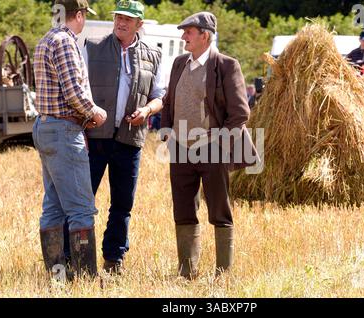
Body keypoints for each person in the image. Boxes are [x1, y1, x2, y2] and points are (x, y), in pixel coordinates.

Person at [161, 12, 257, 279]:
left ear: (205, 35)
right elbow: (169, 101)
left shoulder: (226, 65)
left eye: (188, 32)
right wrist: (167, 132)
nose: (183, 37)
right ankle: (187, 273)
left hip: (212, 147)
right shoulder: (180, 63)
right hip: (180, 148)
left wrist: (218, 143)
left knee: (219, 210)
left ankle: (222, 274)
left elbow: (240, 114)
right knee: (182, 209)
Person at [81, 0, 164, 274]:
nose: (121, 22)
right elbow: (79, 90)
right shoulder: (92, 48)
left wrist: (147, 110)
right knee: (83, 200)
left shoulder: (153, 55)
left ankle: (113, 260)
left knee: (122, 205)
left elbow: (159, 96)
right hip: (95, 138)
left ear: (139, 24)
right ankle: (78, 258)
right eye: (118, 17)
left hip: (130, 140)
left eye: (128, 19)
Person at [32, 0, 107, 279]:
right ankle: (86, 278)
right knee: (81, 209)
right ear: (78, 14)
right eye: (84, 15)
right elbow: (74, 92)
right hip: (64, 130)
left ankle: (58, 276)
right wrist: (95, 112)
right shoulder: (65, 41)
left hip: (46, 127)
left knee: (53, 206)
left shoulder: (45, 39)